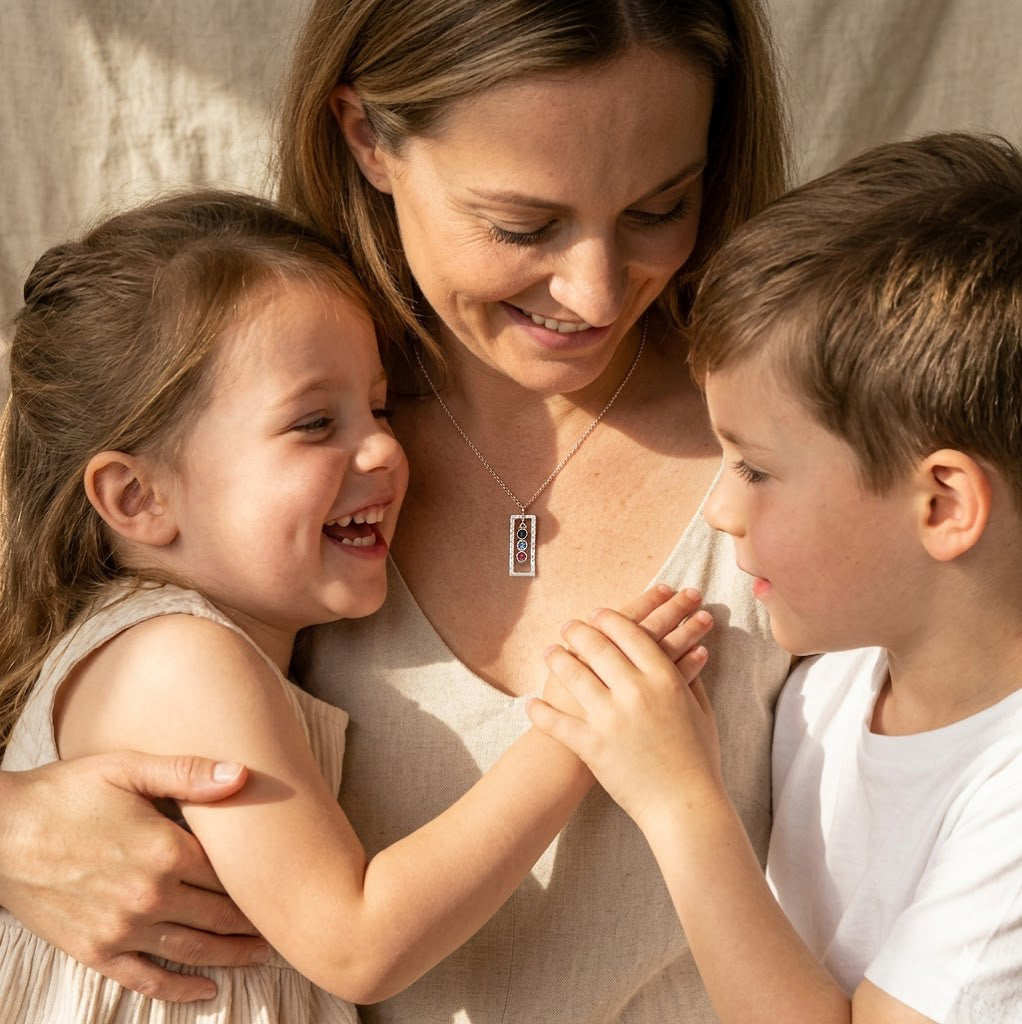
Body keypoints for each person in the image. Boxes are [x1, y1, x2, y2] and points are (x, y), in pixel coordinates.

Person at [0, 2, 792, 1019]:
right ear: (368, 136)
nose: (595, 292)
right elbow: (353, 939)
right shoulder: (234, 437)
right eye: (522, 223)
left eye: (656, 208)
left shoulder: (798, 446)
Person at [528, 132, 1022, 1023]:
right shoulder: (833, 683)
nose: (718, 509)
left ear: (944, 505)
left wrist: (680, 801)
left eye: (754, 469)